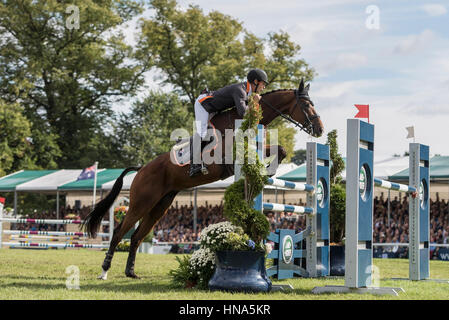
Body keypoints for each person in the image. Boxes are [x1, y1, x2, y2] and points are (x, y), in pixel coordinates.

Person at [189, 68, 269, 176]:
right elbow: (243, 113)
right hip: (203, 105)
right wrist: (254, 103)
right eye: (263, 84)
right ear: (255, 81)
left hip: (215, 108)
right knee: (204, 133)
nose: (264, 87)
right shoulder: (240, 90)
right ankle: (194, 165)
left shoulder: (247, 91)